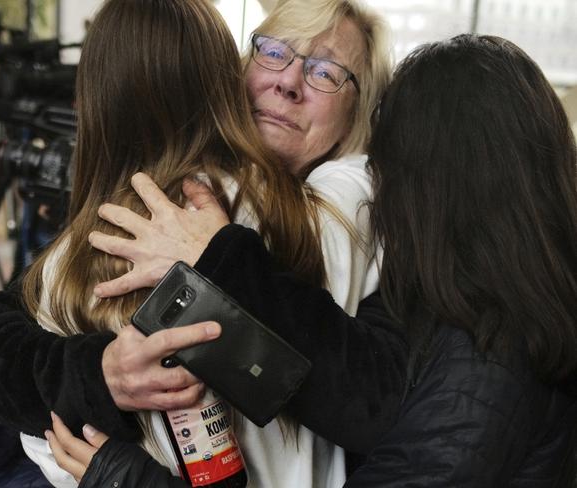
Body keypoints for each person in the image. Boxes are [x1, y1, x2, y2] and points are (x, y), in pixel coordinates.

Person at [49, 34, 577, 486]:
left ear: (430, 188)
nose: (380, 191)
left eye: (327, 71)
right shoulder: (465, 302)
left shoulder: (483, 375)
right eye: (275, 51)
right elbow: (347, 365)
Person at [0, 0, 402, 487]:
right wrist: (100, 375)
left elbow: (371, 401)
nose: (288, 82)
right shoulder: (157, 202)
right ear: (233, 69)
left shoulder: (349, 209)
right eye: (274, 51)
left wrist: (215, 256)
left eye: (326, 72)